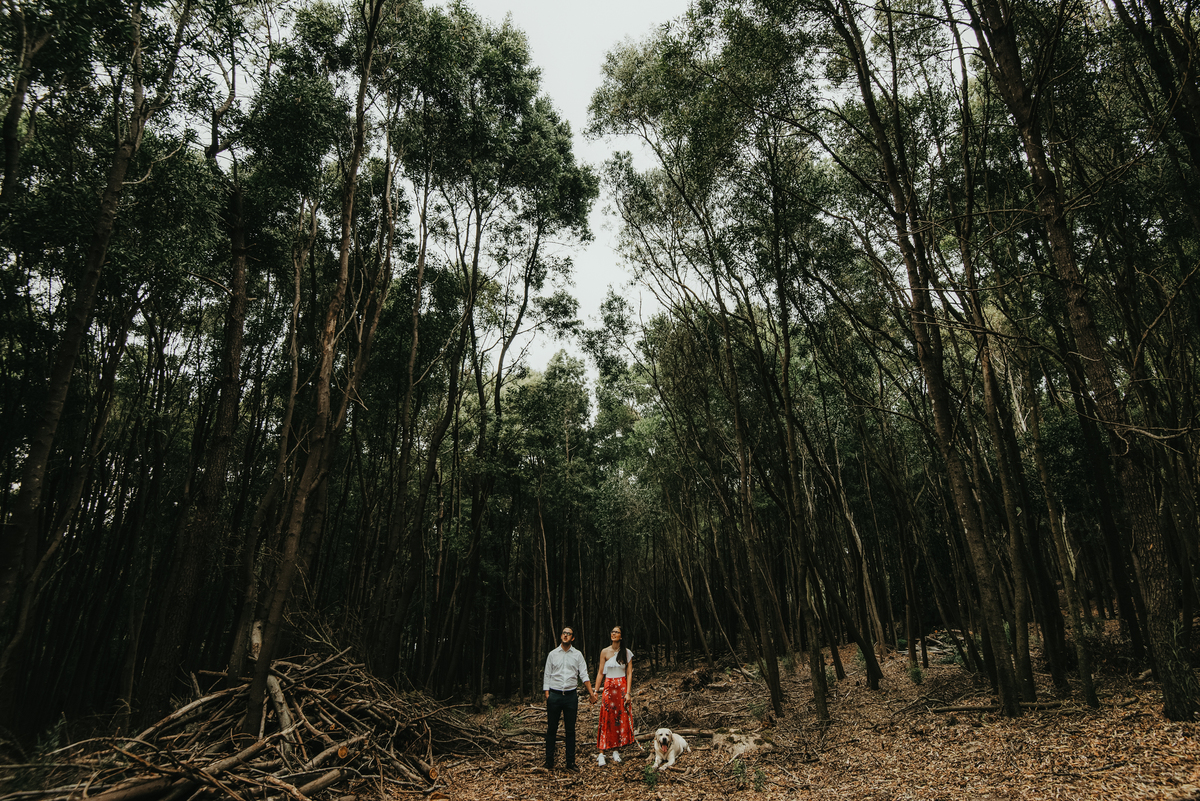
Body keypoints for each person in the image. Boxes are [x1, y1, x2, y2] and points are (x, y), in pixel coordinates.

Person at [543, 626, 596, 771]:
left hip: (571, 696)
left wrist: (591, 693)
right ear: (561, 636)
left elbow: (584, 675)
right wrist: (547, 693)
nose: (566, 635)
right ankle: (549, 761)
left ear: (572, 638)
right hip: (554, 694)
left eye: (569, 634)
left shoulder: (577, 655)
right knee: (552, 729)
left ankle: (570, 762)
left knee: (570, 730)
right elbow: (547, 674)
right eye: (564, 633)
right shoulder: (553, 654)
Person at [595, 625, 635, 766]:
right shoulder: (605, 652)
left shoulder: (626, 653)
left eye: (617, 632)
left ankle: (616, 750)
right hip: (608, 686)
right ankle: (601, 752)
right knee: (606, 717)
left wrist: (628, 693)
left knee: (619, 718)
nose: (614, 634)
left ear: (621, 636)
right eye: (612, 631)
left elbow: (629, 673)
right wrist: (595, 690)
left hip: (622, 688)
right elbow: (600, 672)